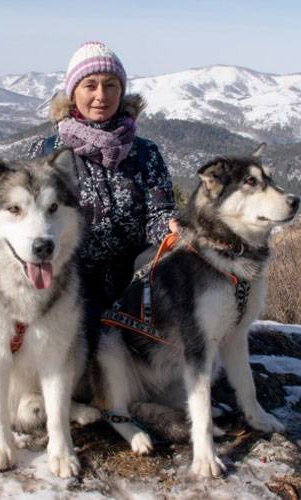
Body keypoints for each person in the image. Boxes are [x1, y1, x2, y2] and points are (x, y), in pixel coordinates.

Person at [29, 41, 177, 353]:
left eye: (111, 86)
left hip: (134, 276)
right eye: (90, 85)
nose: (101, 96)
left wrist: (173, 229)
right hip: (72, 275)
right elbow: (37, 219)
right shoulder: (47, 153)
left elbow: (159, 214)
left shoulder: (145, 153)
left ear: (121, 92)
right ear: (73, 93)